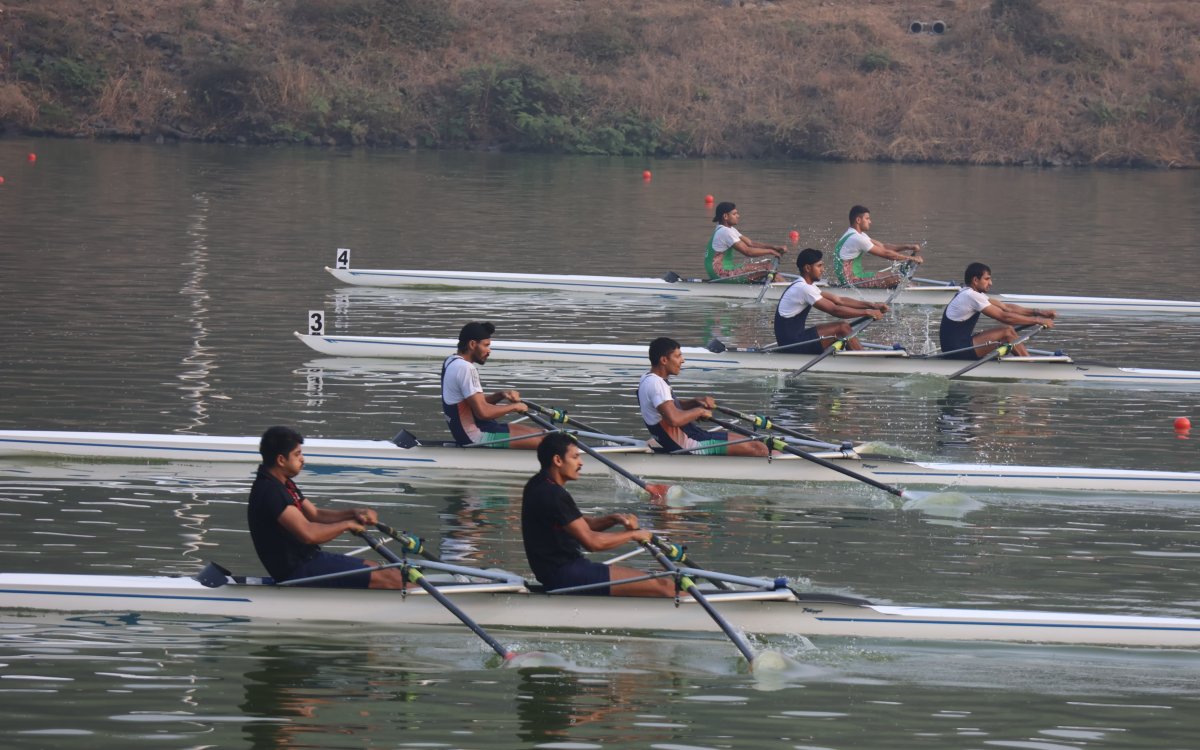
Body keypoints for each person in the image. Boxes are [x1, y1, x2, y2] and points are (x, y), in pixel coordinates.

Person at [247, 425, 404, 589]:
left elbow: (315, 515)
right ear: (281, 460)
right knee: (390, 578)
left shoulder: (283, 483)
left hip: (310, 560)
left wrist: (354, 513)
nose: (302, 459)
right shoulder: (270, 492)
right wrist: (347, 525)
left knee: (387, 571)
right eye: (297, 454)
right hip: (297, 571)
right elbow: (309, 534)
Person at [521, 432, 674, 597]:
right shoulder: (553, 494)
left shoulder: (537, 483)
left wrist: (613, 519)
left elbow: (583, 525)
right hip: (567, 575)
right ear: (558, 460)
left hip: (560, 572)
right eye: (575, 457)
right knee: (665, 586)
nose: (580, 463)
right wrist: (634, 535)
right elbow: (592, 543)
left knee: (657, 581)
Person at [638, 337, 769, 457]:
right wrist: (699, 411)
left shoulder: (647, 379)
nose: (682, 360)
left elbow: (669, 407)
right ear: (664, 360)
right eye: (678, 356)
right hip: (690, 446)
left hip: (694, 436)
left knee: (755, 441)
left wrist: (696, 402)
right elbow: (674, 419)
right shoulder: (657, 384)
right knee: (759, 448)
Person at [442, 321, 542, 449]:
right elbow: (483, 412)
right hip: (477, 437)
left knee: (541, 433)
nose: (489, 351)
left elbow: (473, 404)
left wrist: (501, 395)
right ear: (472, 344)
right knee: (546, 442)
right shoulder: (466, 368)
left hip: (477, 428)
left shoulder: (451, 361)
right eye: (486, 345)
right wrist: (514, 407)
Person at [775, 248, 889, 353]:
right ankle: (863, 361)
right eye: (819, 266)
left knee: (840, 331)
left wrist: (872, 306)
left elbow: (838, 300)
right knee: (842, 328)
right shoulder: (803, 288)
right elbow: (835, 310)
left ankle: (853, 356)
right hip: (790, 344)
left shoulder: (806, 285)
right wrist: (867, 312)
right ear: (808, 268)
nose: (823, 270)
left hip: (795, 339)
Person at [939, 262, 1057, 360]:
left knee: (1006, 335)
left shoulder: (970, 293)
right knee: (1007, 332)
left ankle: (1024, 362)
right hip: (956, 351)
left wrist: (1039, 312)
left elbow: (1006, 308)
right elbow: (1004, 317)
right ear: (975, 280)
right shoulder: (971, 296)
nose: (990, 283)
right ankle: (1030, 367)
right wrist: (1038, 320)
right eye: (987, 279)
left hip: (958, 346)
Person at [833, 204, 924, 288]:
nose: (870, 221)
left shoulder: (855, 234)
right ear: (858, 220)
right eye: (867, 218)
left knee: (895, 277)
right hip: (852, 281)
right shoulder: (857, 238)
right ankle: (919, 296)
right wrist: (911, 258)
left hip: (856, 277)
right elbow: (886, 254)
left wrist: (908, 247)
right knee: (899, 278)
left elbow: (883, 247)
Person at [705, 201, 788, 282]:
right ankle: (788, 291)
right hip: (721, 273)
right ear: (725, 216)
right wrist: (771, 251)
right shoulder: (725, 232)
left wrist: (774, 248)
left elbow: (750, 243)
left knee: (767, 266)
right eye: (734, 214)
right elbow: (748, 252)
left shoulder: (729, 229)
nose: (738, 216)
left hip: (725, 269)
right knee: (767, 267)